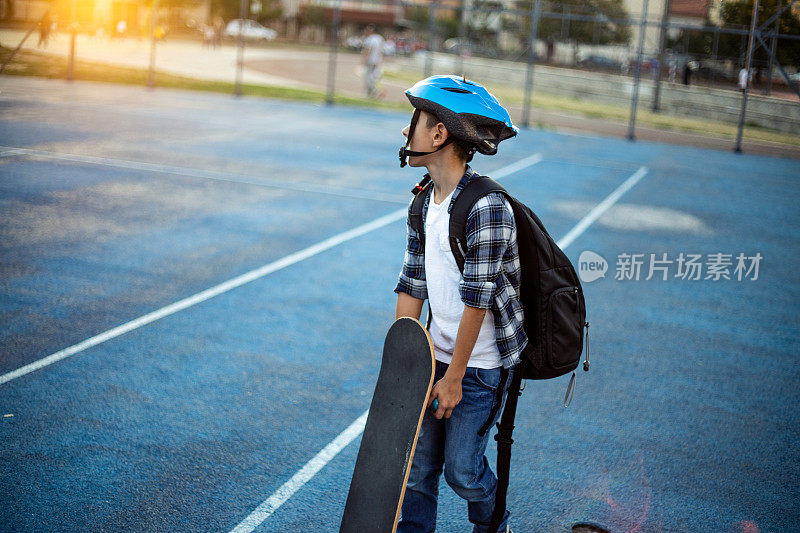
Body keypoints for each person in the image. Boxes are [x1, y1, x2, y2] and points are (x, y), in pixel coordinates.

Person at [394, 75, 525, 533]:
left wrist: (453, 379)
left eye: (413, 122)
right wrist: (403, 365)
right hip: (435, 358)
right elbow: (412, 285)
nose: (404, 133)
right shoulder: (422, 203)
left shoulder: (487, 207)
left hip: (481, 366)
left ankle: (494, 525)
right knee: (417, 468)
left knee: (462, 471)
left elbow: (478, 302)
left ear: (438, 134)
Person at [361, 25, 385, 98]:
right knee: (374, 77)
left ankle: (373, 92)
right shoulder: (380, 38)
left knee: (368, 77)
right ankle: (373, 92)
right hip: (377, 60)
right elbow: (381, 50)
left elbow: (368, 50)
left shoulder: (370, 39)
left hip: (371, 60)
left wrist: (364, 59)